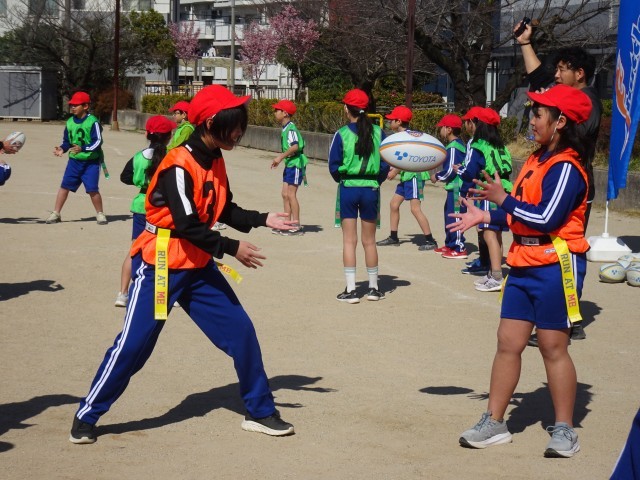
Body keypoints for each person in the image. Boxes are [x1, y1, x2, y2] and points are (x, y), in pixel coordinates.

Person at [69, 85, 296, 444]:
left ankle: (260, 410)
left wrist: (262, 218)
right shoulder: (178, 163)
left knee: (242, 333)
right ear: (211, 122)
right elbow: (188, 224)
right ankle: (88, 414)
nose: (239, 131)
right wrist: (232, 247)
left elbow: (223, 208)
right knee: (134, 346)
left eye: (242, 123)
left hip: (199, 265)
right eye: (235, 124)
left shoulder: (215, 158)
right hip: (162, 264)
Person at [452, 84, 592, 458]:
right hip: (523, 261)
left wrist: (501, 200)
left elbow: (546, 219)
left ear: (561, 122)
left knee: (552, 346)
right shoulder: (536, 159)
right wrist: (487, 216)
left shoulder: (567, 167)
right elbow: (521, 213)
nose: (531, 119)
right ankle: (494, 421)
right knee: (508, 342)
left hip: (555, 265)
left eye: (538, 113)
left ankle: (565, 429)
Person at [515, 21, 600, 341]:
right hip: (551, 176)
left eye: (563, 69)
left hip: (571, 183)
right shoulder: (563, 98)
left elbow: (573, 135)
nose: (557, 74)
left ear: (580, 73)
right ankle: (554, 312)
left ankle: (568, 317)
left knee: (566, 247)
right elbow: (539, 79)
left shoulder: (586, 101)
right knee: (551, 245)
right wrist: (526, 43)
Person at [329, 88, 390, 304]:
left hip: (348, 187)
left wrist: (343, 178)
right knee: (369, 241)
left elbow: (333, 165)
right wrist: (376, 180)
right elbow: (385, 164)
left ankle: (352, 289)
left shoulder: (342, 134)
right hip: (370, 188)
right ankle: (373, 288)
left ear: (347, 108)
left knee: (349, 241)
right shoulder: (379, 133)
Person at [115, 115, 177, 308]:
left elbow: (125, 177)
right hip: (164, 208)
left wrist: (142, 182)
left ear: (147, 135)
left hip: (141, 205)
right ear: (169, 136)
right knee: (165, 250)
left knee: (135, 249)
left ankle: (123, 293)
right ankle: (167, 294)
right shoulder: (172, 157)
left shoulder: (138, 157)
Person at [457, 107, 512, 292]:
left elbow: (470, 172)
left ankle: (496, 275)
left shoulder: (478, 145)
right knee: (496, 233)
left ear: (475, 123)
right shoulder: (500, 145)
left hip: (489, 190)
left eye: (468, 121)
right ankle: (493, 271)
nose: (466, 125)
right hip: (505, 189)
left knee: (488, 233)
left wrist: (460, 175)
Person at [377, 106, 438, 251]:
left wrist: (395, 170)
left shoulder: (407, 137)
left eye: (392, 120)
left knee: (415, 209)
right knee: (394, 204)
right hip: (407, 176)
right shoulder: (405, 136)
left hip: (414, 176)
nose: (389, 122)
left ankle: (430, 240)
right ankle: (393, 237)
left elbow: (407, 157)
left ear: (399, 121)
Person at [46, 91, 107, 225]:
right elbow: (67, 141)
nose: (72, 107)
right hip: (74, 161)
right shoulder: (69, 122)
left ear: (85, 106)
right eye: (71, 105)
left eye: (76, 105)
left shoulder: (93, 122)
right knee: (64, 186)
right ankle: (56, 213)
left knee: (92, 189)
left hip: (90, 162)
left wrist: (83, 148)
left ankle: (100, 213)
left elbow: (97, 142)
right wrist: (62, 148)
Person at [431, 113, 467, 258]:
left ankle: (459, 247)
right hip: (453, 187)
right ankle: (450, 244)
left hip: (457, 186)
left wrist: (437, 176)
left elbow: (451, 170)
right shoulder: (458, 145)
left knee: (455, 216)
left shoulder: (453, 147)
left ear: (449, 129)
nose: (440, 130)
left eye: (442, 127)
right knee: (449, 214)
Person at [270, 99, 307, 236]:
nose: (275, 112)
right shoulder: (286, 128)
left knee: (291, 194)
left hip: (296, 164)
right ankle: (287, 224)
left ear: (285, 113)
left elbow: (295, 146)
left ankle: (296, 225)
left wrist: (280, 157)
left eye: (277, 110)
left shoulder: (291, 128)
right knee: (285, 194)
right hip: (290, 164)